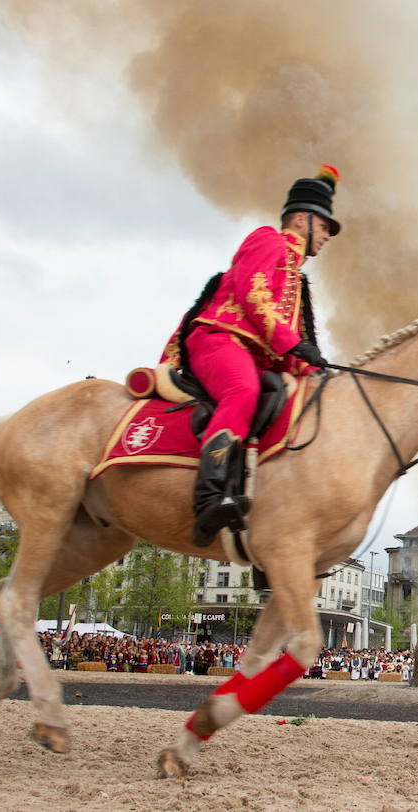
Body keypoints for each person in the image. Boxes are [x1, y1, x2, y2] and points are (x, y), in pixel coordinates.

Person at [160, 165, 341, 545]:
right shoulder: (268, 240)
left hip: (253, 354)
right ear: (301, 219)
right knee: (243, 391)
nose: (326, 236)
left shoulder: (298, 278)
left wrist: (317, 369)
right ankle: (209, 495)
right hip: (219, 339)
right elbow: (253, 295)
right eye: (324, 226)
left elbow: (294, 353)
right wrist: (293, 343)